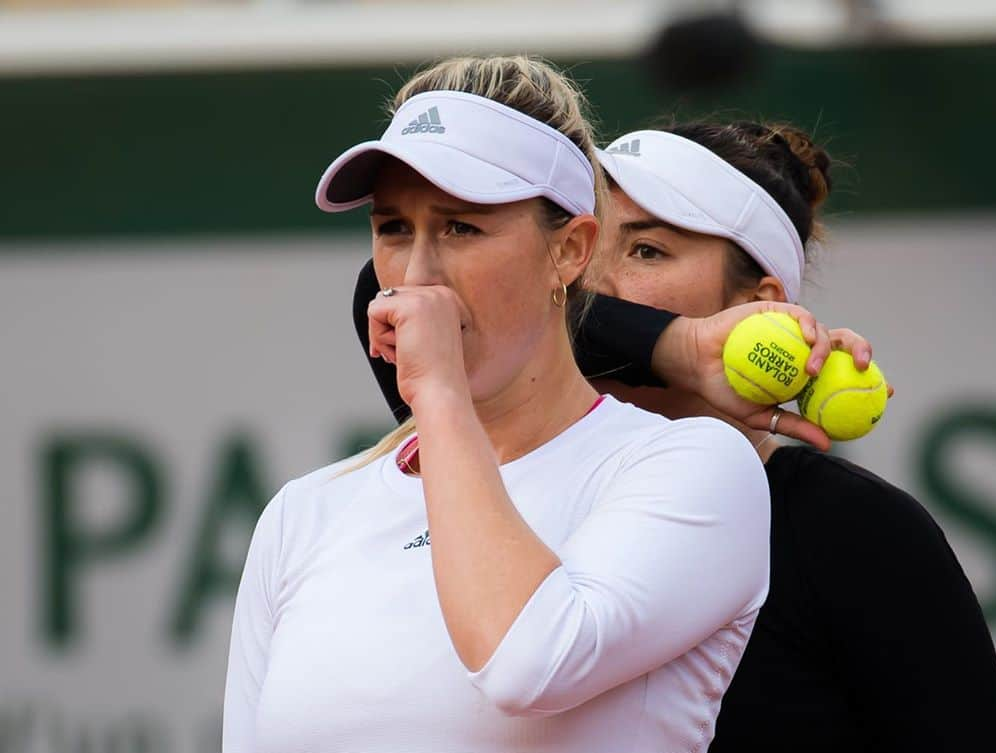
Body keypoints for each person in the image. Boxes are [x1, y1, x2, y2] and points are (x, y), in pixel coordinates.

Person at [222, 56, 839, 753]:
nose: (417, 275)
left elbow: (526, 661)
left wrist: (441, 392)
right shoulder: (303, 515)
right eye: (393, 228)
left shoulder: (693, 466)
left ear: (571, 250)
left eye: (462, 228)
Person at [355, 121, 996, 751]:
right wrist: (676, 344)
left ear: (758, 306)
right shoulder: (507, 477)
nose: (591, 285)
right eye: (582, 251)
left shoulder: (855, 530)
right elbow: (380, 294)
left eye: (647, 249)